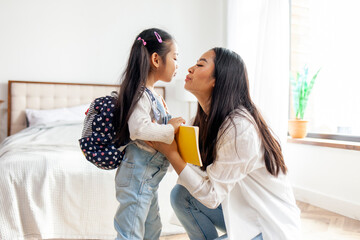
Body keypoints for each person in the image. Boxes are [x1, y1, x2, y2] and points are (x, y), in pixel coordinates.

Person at [148, 47, 302, 240]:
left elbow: (211, 196)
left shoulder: (240, 127)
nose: (190, 69)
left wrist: (172, 154)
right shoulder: (208, 120)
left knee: (188, 193)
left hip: (270, 227)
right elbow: (197, 173)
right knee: (181, 195)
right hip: (245, 215)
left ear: (218, 80)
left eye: (200, 64)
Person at [112, 28, 185, 240]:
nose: (177, 64)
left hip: (148, 178)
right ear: (156, 59)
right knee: (131, 232)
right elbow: (139, 129)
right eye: (175, 57)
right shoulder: (139, 93)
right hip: (137, 176)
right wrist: (171, 128)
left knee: (152, 228)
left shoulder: (154, 95)